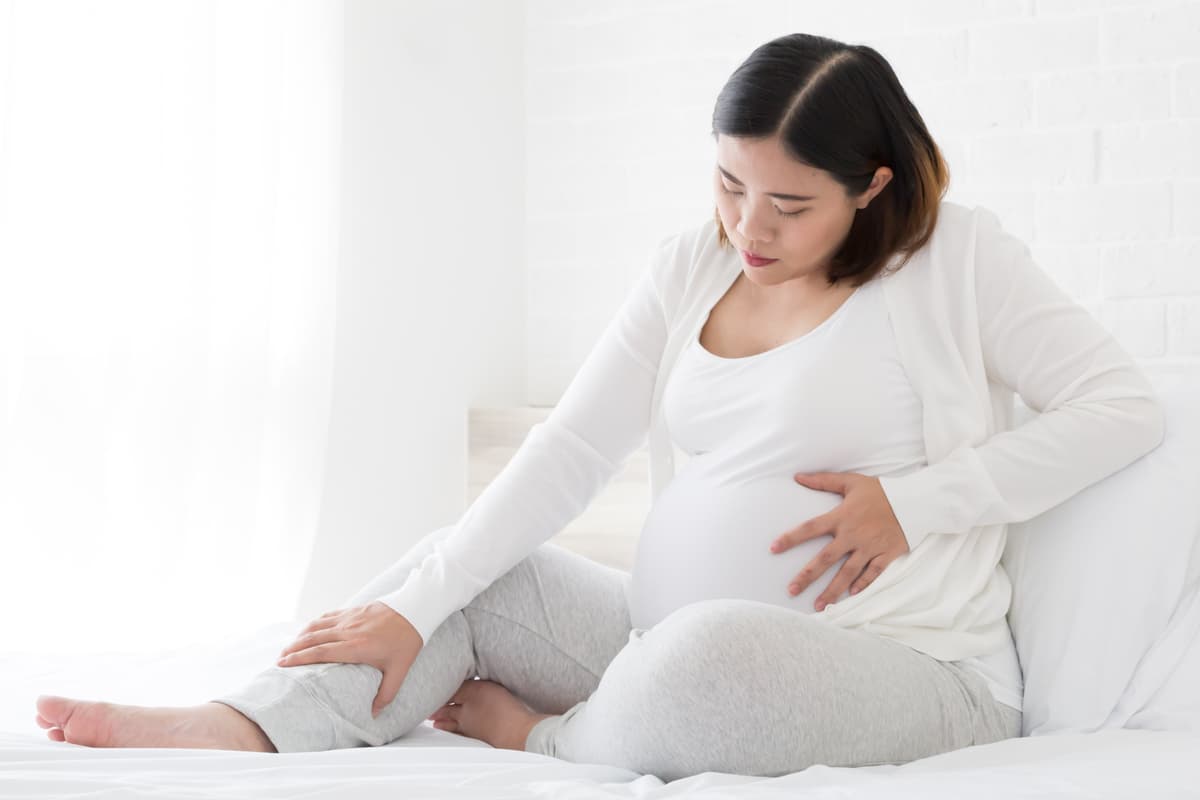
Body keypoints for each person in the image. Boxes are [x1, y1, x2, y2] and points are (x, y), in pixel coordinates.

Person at [34, 32, 1164, 781]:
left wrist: (920, 504)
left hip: (906, 669)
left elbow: (1122, 406)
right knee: (468, 575)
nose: (749, 228)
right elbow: (572, 447)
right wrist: (417, 606)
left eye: (788, 205)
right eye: (729, 185)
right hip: (649, 640)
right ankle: (252, 722)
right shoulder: (693, 263)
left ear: (872, 186)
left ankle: (552, 738)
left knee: (705, 658)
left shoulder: (956, 260)